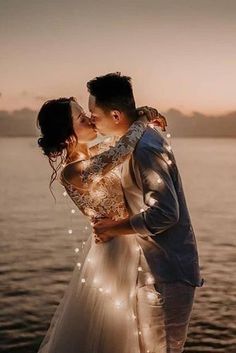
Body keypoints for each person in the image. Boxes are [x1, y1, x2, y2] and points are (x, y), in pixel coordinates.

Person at [36, 95, 167, 353]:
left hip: (129, 240)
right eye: (80, 118)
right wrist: (141, 118)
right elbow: (124, 149)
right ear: (67, 134)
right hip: (114, 252)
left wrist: (143, 113)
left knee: (139, 325)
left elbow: (124, 137)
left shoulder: (96, 152)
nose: (89, 119)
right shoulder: (71, 171)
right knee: (115, 331)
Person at [88, 72, 204, 353]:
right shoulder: (133, 141)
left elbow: (165, 213)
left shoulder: (145, 149)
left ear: (115, 115)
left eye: (94, 113)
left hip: (167, 274)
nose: (92, 119)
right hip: (154, 271)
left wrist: (112, 227)